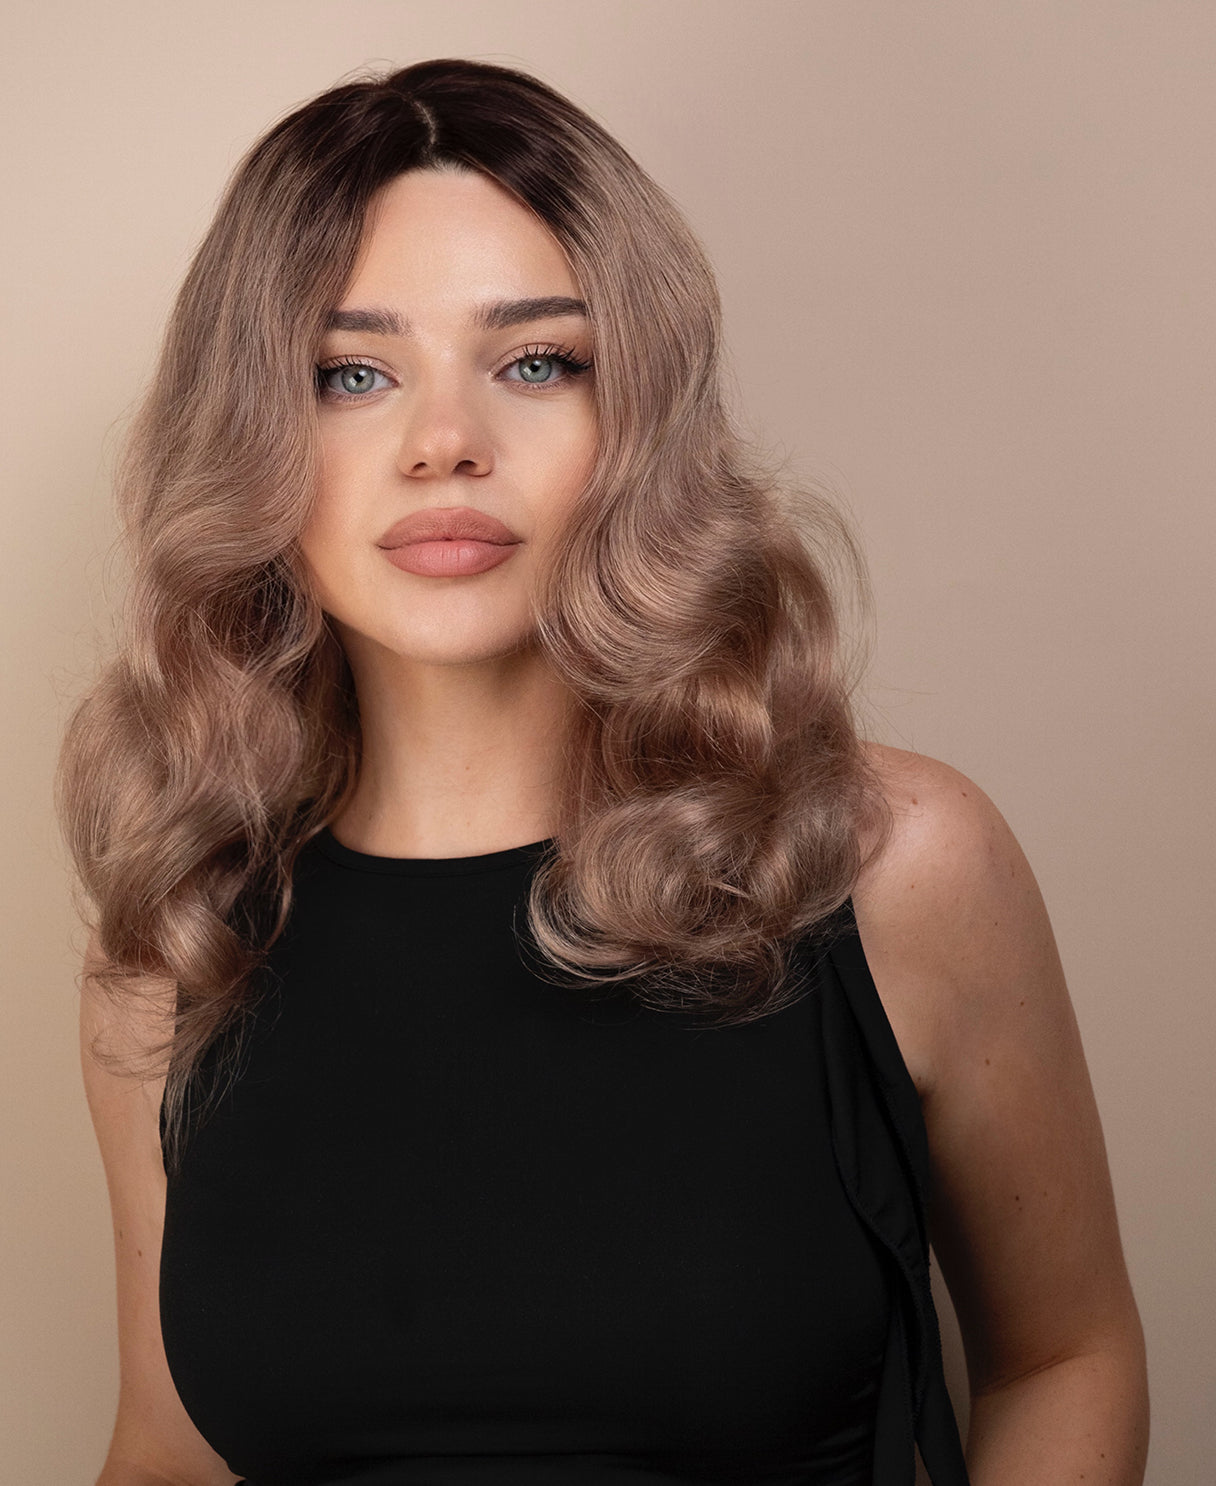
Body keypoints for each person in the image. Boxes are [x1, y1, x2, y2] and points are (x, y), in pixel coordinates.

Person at [57, 58, 1148, 1486]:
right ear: (255, 439)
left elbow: (1066, 1357)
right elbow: (168, 1446)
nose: (445, 443)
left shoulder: (891, 866)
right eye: (351, 373)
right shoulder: (178, 950)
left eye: (535, 361)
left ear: (632, 420)